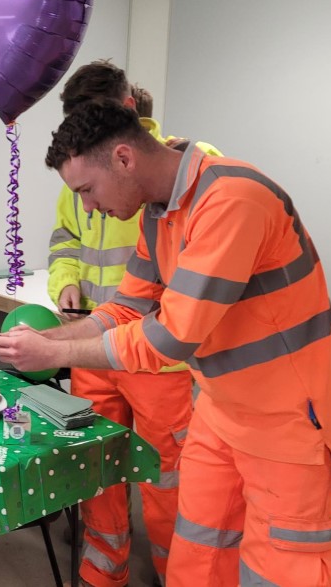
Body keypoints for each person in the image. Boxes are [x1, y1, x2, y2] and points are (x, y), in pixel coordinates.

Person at [0, 101, 331, 587]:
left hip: (291, 423)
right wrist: (50, 337)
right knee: (198, 556)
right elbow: (125, 309)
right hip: (220, 410)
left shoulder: (233, 198)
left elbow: (170, 336)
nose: (87, 208)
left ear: (124, 159)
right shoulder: (158, 213)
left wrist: (56, 355)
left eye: (87, 190)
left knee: (280, 569)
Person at [48, 61, 220, 587]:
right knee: (96, 469)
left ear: (124, 120)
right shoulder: (80, 174)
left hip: (157, 355)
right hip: (97, 340)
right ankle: (104, 574)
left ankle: (178, 574)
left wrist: (56, 347)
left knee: (169, 481)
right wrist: (65, 284)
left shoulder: (191, 171)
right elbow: (63, 239)